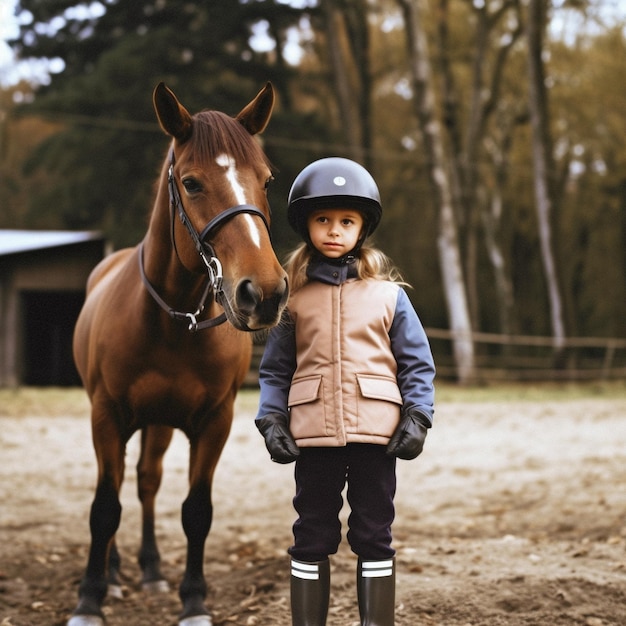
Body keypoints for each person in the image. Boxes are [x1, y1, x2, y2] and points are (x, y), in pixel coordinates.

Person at [255, 157, 435, 626]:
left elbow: (417, 363)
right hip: (312, 436)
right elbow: (275, 370)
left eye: (346, 222)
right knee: (311, 532)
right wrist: (271, 419)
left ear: (362, 228)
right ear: (308, 226)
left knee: (374, 532)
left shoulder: (390, 297)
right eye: (323, 220)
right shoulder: (291, 298)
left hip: (378, 435)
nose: (334, 231)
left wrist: (418, 416)